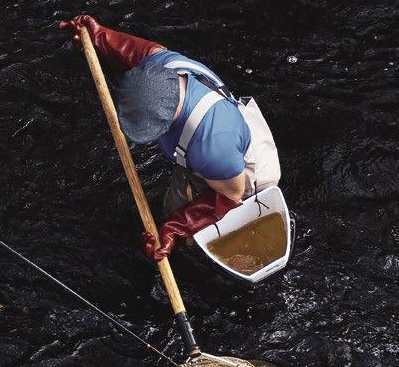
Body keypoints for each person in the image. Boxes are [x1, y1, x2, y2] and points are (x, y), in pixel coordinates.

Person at [60, 14, 280, 260]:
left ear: (168, 117)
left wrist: (175, 230)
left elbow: (232, 195)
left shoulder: (214, 147)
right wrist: (100, 36)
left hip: (239, 180)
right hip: (199, 155)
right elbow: (144, 51)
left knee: (199, 241)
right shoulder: (162, 68)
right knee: (170, 212)